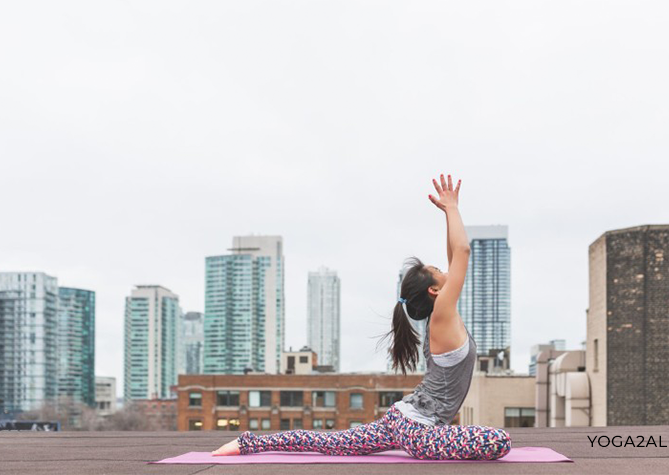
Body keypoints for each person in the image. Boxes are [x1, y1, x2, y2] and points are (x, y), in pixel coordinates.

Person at [211, 174, 511, 460]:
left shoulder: (444, 316)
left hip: (403, 419)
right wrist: (453, 208)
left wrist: (447, 213)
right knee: (500, 441)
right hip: (419, 430)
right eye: (439, 271)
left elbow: (453, 255)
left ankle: (246, 442)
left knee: (330, 443)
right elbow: (462, 250)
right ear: (434, 290)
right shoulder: (442, 317)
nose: (447, 270)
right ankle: (248, 442)